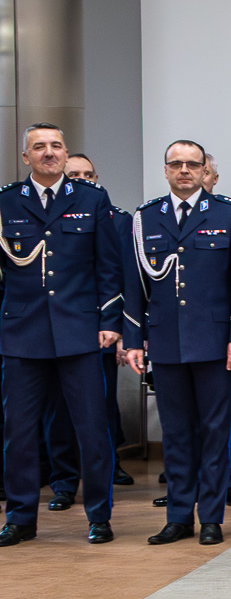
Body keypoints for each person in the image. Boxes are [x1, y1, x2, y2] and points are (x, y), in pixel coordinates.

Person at [123, 140, 231, 547]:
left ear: (205, 171)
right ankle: (179, 516)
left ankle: (212, 517)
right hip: (166, 340)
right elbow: (135, 283)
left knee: (215, 432)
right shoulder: (146, 217)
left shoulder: (230, 214)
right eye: (176, 164)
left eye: (192, 164)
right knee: (176, 433)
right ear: (166, 170)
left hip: (216, 341)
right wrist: (134, 338)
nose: (184, 170)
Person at [0, 126, 125, 546]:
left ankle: (99, 515)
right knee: (19, 433)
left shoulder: (91, 199)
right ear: (26, 157)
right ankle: (20, 517)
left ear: (66, 153)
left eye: (56, 146)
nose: (48, 153)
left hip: (80, 330)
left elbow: (108, 266)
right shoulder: (6, 201)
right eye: (39, 147)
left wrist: (110, 321)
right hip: (22, 333)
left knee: (92, 430)